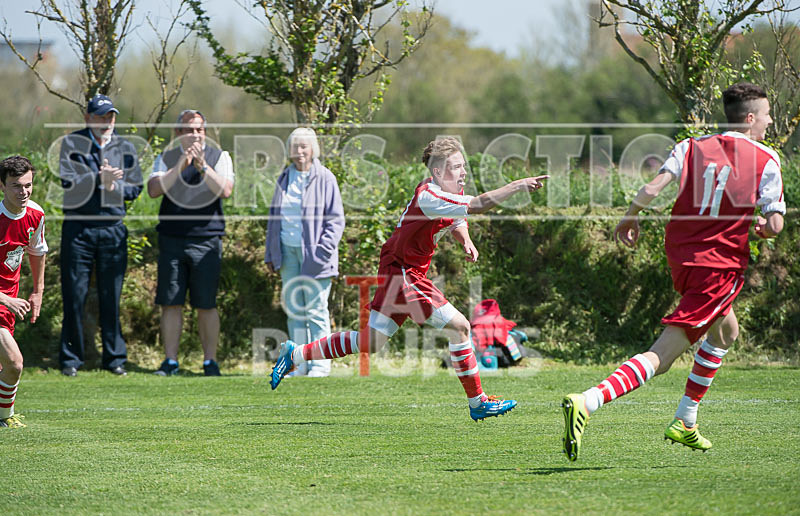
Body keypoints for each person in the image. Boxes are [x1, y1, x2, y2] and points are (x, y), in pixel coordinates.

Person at [561, 82, 785, 461]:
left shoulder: (691, 146)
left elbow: (653, 188)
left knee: (727, 331)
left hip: (682, 258)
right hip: (718, 266)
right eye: (766, 115)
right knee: (662, 358)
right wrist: (765, 228)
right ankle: (588, 401)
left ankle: (685, 419)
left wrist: (630, 215)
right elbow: (775, 222)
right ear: (750, 119)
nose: (770, 121)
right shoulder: (766, 158)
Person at [270, 137, 549, 421]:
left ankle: (296, 354)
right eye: (456, 167)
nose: (463, 172)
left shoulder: (448, 191)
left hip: (399, 268)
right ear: (438, 171)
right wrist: (518, 185)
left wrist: (465, 239)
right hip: (404, 271)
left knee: (371, 341)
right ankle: (478, 403)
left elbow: (457, 218)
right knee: (461, 327)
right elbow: (477, 205)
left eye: (463, 165)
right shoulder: (430, 195)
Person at [59, 94, 143, 376]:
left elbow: (135, 188)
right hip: (79, 229)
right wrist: (99, 179)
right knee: (74, 296)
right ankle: (71, 359)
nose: (107, 122)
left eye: (110, 116)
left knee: (111, 296)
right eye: (100, 117)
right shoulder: (72, 143)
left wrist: (113, 187)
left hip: (112, 229)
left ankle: (114, 359)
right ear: (88, 118)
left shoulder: (125, 147)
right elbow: (68, 182)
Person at [148, 110, 234, 377]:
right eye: (189, 130)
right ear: (178, 133)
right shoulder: (165, 157)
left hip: (207, 240)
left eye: (199, 129)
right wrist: (181, 165)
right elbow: (154, 190)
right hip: (172, 238)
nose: (195, 135)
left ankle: (210, 362)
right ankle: (170, 362)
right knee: (171, 303)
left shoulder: (220, 157)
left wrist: (202, 167)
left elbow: (226, 190)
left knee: (206, 304)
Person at [265, 127, 344, 378]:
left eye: (304, 146)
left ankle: (320, 364)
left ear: (313, 149)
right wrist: (270, 253)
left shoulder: (325, 178)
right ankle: (298, 364)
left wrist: (322, 252)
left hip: (316, 256)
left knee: (316, 310)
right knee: (294, 310)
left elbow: (336, 221)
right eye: (295, 146)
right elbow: (273, 219)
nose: (299, 151)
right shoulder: (284, 177)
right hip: (287, 252)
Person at [0, 156, 47, 428]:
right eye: (16, 186)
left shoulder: (36, 214)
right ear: (2, 186)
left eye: (28, 185)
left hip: (8, 301)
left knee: (5, 365)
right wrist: (5, 299)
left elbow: (37, 251)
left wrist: (38, 291)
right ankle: (5, 418)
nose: (24, 192)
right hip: (4, 300)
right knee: (14, 363)